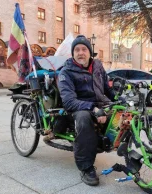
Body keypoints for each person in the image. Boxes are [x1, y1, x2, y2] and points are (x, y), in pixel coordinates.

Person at [58, 35, 117, 186]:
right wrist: (93, 109)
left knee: (123, 114)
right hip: (79, 108)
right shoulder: (66, 72)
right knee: (84, 119)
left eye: (84, 49)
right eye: (77, 50)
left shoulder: (97, 66)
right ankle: (86, 167)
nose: (80, 53)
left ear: (90, 52)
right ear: (73, 54)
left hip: (99, 104)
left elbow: (107, 89)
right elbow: (69, 101)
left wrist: (119, 99)